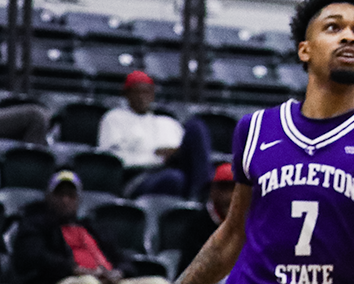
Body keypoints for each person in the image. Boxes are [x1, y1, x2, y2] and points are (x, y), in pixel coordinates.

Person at [176, 0, 354, 284]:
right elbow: (233, 235)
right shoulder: (256, 128)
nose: (348, 37)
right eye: (333, 27)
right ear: (305, 50)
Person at [12, 169, 169, 284]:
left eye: (71, 195)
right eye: (60, 194)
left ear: (78, 200)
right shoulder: (35, 224)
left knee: (158, 282)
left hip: (106, 280)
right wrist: (73, 268)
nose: (65, 200)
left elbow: (121, 258)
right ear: (48, 197)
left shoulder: (92, 227)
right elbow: (31, 256)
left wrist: (118, 272)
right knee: (88, 282)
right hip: (67, 279)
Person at [99, 71, 210, 199]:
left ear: (152, 95)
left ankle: (203, 193)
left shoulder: (168, 122)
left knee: (196, 126)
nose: (141, 97)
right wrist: (156, 157)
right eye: (136, 92)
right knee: (174, 178)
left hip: (177, 171)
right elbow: (110, 160)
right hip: (139, 178)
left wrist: (175, 153)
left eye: (146, 92)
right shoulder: (114, 118)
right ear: (126, 94)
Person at [173, 162, 237, 271]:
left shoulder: (251, 222)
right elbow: (188, 268)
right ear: (212, 190)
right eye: (223, 188)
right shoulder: (197, 224)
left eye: (234, 189)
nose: (229, 196)